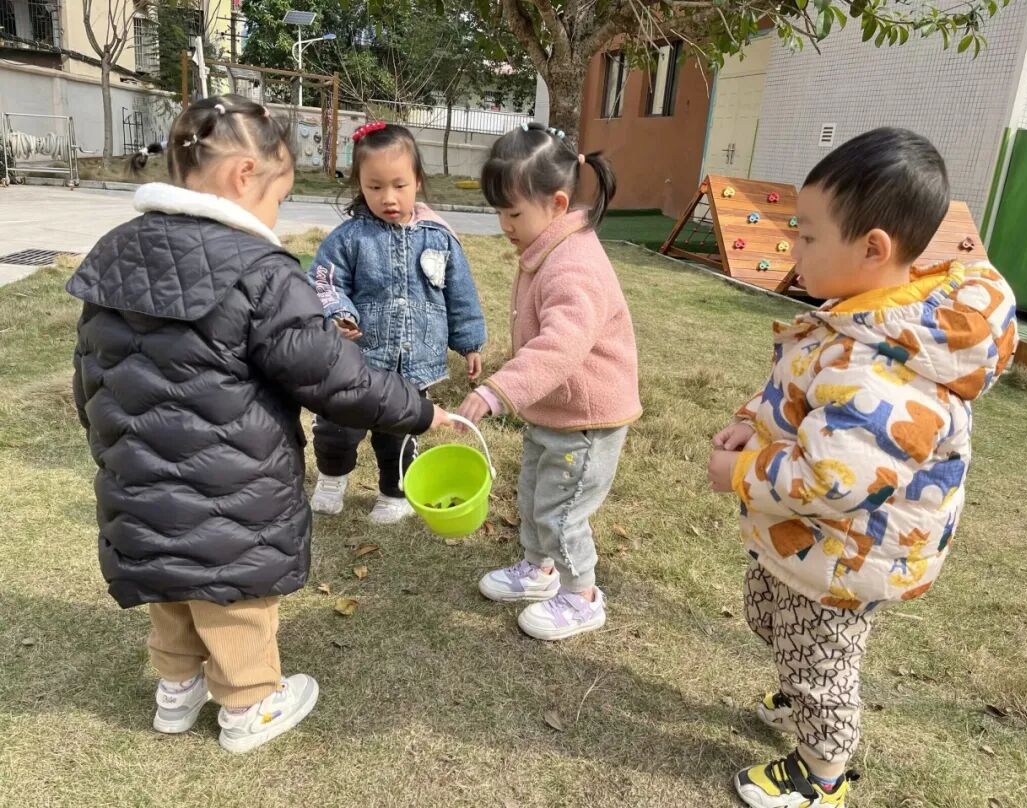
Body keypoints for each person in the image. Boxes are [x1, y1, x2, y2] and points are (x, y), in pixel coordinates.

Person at [67, 95, 452, 754]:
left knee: (169, 584)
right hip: (231, 482)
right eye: (278, 197)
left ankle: (176, 691)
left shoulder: (117, 251)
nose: (275, 214)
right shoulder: (260, 273)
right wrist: (418, 409)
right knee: (234, 596)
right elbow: (335, 377)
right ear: (245, 175)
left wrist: (108, 442)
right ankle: (248, 706)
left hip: (134, 472)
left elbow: (89, 369)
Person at [707, 128, 1018, 807]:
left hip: (845, 555)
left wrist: (739, 472)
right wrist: (754, 419)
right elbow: (800, 387)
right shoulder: (858, 316)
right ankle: (801, 692)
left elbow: (833, 480)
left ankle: (822, 774)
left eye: (808, 237)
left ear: (873, 248)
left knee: (822, 664)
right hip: (812, 544)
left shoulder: (882, 366)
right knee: (768, 610)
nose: (794, 249)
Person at [457, 122, 641, 641]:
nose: (504, 225)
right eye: (498, 212)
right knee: (535, 493)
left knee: (562, 511)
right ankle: (539, 569)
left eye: (513, 213)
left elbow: (560, 345)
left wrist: (498, 390)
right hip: (555, 411)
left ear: (558, 204)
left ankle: (582, 596)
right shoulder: (549, 246)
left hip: (585, 420)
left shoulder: (574, 265)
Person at [308, 122, 486, 523]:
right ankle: (332, 478)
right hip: (359, 362)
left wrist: (471, 343)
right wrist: (339, 313)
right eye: (375, 187)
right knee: (337, 426)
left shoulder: (439, 237)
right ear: (360, 185)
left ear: (417, 181)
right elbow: (324, 280)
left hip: (413, 364)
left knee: (399, 432)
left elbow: (461, 295)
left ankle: (394, 492)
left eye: (399, 185)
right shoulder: (350, 238)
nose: (388, 197)